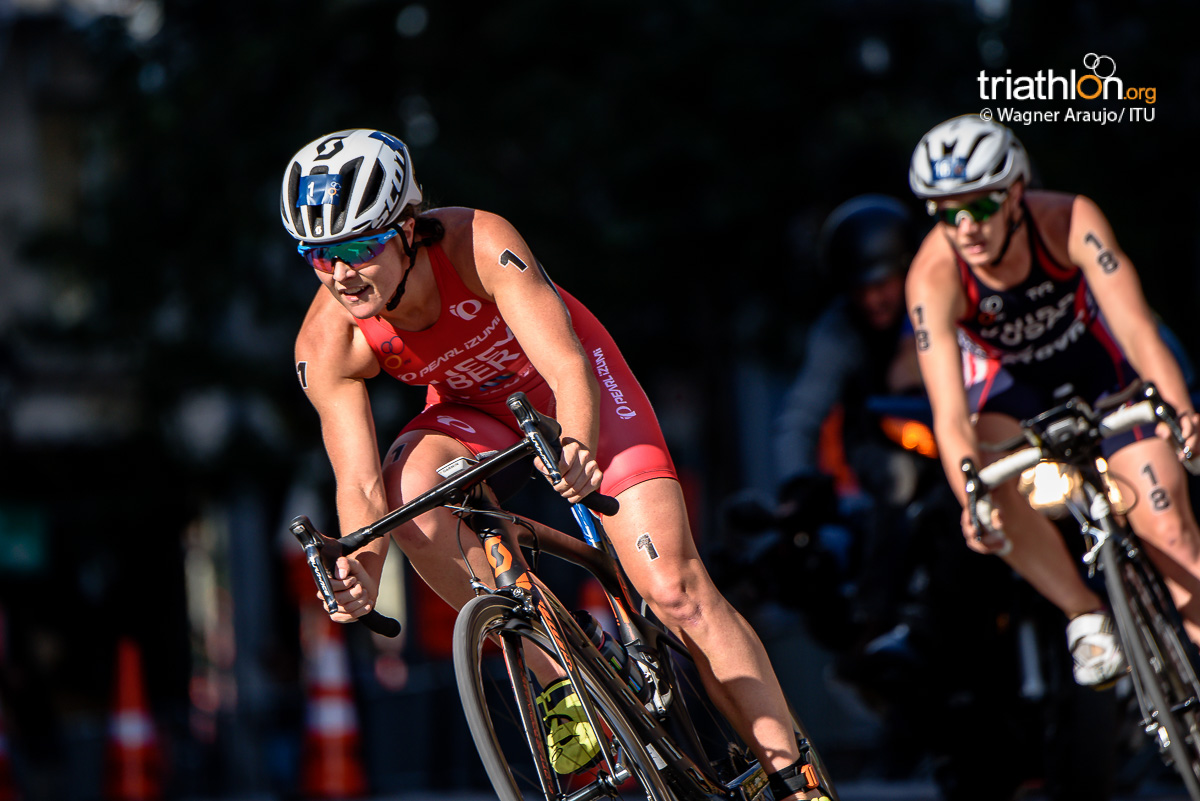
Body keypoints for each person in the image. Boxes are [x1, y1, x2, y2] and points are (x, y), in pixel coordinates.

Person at [280, 128, 826, 799]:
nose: (341, 274)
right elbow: (359, 483)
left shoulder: (478, 242)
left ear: (408, 228)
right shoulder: (328, 339)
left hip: (573, 387)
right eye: (318, 257)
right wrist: (361, 567)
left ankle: (795, 778)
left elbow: (566, 364)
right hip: (472, 410)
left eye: (358, 248)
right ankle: (557, 671)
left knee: (674, 588)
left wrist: (574, 443)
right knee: (406, 489)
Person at [905, 114, 1200, 686]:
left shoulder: (1068, 220)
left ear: (1016, 191)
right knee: (984, 480)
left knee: (1173, 538)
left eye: (982, 206)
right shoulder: (933, 274)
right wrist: (970, 496)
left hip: (1101, 376)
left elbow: (1138, 329)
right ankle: (1084, 614)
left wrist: (1177, 407)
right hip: (1014, 396)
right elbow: (947, 410)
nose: (966, 226)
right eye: (946, 213)